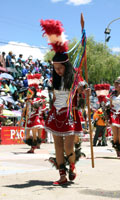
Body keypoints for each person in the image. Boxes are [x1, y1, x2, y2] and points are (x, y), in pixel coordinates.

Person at [44, 52, 90, 186]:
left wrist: (86, 92)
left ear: (66, 66)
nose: (57, 71)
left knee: (68, 146)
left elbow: (83, 90)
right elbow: (54, 98)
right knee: (57, 146)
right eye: (55, 68)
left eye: (60, 68)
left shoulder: (76, 78)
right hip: (55, 115)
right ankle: (62, 176)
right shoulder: (54, 80)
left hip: (70, 115)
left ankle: (72, 166)